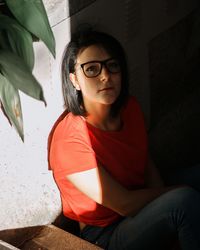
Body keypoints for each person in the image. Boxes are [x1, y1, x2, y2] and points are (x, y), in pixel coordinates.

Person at [48, 28, 200, 250]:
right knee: (184, 201)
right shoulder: (69, 140)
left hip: (142, 197)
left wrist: (165, 203)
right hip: (106, 234)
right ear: (75, 80)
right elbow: (124, 205)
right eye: (91, 69)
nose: (105, 76)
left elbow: (144, 159)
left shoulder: (129, 107)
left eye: (113, 65)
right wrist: (173, 194)